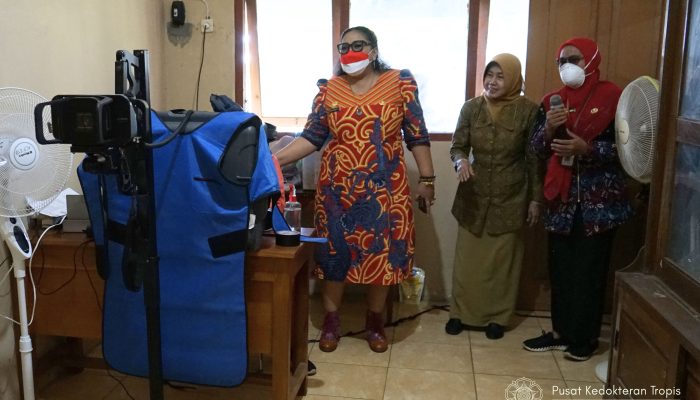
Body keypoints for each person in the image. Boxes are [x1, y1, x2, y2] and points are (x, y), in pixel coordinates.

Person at [275, 26, 435, 353]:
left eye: (357, 45)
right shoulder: (329, 90)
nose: (349, 52)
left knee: (381, 255)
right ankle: (332, 321)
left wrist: (428, 179)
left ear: (374, 50)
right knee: (335, 254)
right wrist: (272, 160)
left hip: (386, 191)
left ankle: (374, 321)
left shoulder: (400, 83)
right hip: (338, 192)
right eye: (343, 47)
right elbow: (311, 138)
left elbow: (417, 135)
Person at [522, 37, 632, 361]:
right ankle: (560, 333)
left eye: (575, 59)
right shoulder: (551, 102)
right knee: (562, 270)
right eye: (562, 61)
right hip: (562, 201)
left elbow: (630, 150)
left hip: (600, 204)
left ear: (592, 59)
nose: (567, 66)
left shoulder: (615, 98)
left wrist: (589, 149)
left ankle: (584, 340)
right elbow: (535, 149)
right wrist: (548, 130)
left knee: (589, 272)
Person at [445, 53, 542, 340]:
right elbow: (457, 146)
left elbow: (535, 159)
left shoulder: (529, 111)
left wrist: (536, 199)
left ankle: (498, 318)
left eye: (501, 76)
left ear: (513, 79)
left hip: (510, 197)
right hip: (473, 198)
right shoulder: (471, 108)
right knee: (467, 262)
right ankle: (459, 314)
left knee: (503, 265)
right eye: (489, 75)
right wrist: (461, 161)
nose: (493, 82)